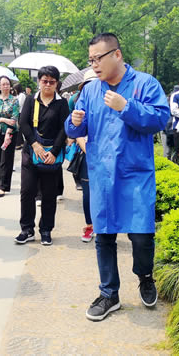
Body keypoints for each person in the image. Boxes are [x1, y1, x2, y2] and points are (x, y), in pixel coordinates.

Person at [65, 33, 169, 321]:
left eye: (98, 58)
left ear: (117, 55)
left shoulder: (145, 84)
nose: (94, 65)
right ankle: (109, 293)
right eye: (90, 60)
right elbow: (76, 128)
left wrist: (127, 107)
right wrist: (73, 122)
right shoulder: (90, 91)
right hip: (102, 175)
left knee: (142, 236)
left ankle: (145, 276)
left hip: (135, 174)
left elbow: (161, 118)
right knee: (104, 236)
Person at [16, 66, 69, 246]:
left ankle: (46, 230)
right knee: (27, 191)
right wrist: (34, 144)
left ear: (57, 83)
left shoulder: (61, 103)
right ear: (39, 81)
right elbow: (23, 123)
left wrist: (54, 152)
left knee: (49, 194)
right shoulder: (31, 100)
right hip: (31, 152)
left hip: (51, 154)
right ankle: (27, 229)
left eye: (52, 82)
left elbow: (64, 128)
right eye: (44, 81)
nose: (47, 85)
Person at [68, 69, 97, 242]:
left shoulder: (110, 103)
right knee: (88, 193)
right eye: (87, 85)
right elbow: (76, 131)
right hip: (87, 154)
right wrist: (88, 149)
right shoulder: (79, 103)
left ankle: (105, 227)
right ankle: (89, 225)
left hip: (108, 157)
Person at [0, 75, 19, 197]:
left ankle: (3, 186)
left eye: (7, 84)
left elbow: (14, 118)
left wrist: (8, 132)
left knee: (6, 159)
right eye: (3, 84)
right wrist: (3, 119)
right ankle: (1, 183)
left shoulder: (14, 100)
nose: (6, 86)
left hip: (10, 133)